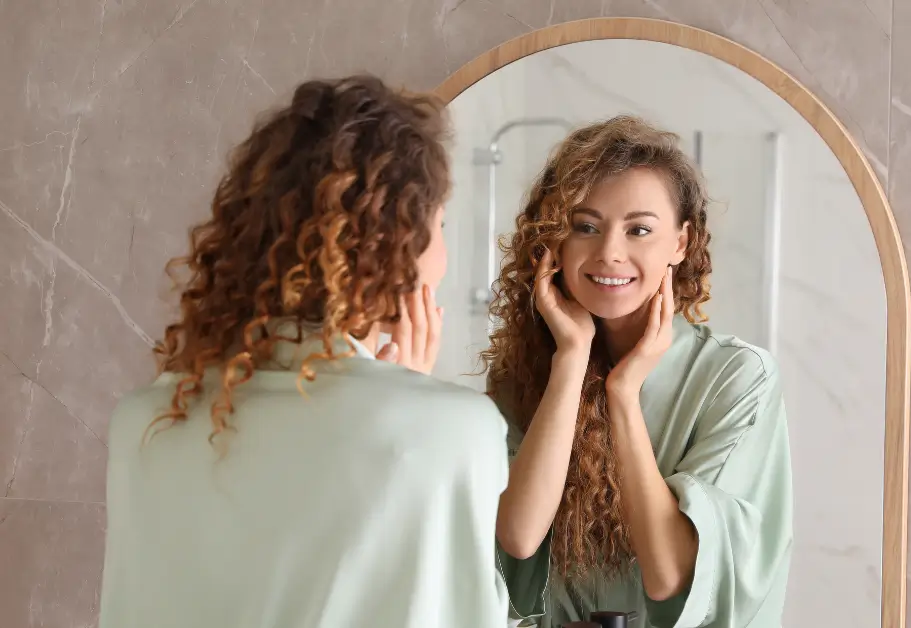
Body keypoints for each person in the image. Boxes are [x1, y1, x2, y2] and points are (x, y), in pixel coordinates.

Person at [99, 76, 510, 628]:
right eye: (440, 225)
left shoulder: (143, 420)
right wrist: (413, 403)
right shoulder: (452, 431)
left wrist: (402, 398)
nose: (443, 254)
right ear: (399, 244)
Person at [482, 115, 793, 628]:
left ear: (681, 243)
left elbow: (671, 575)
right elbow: (519, 537)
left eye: (639, 230)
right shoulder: (524, 375)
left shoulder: (737, 378)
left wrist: (622, 395)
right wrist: (571, 361)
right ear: (554, 243)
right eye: (585, 226)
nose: (609, 253)